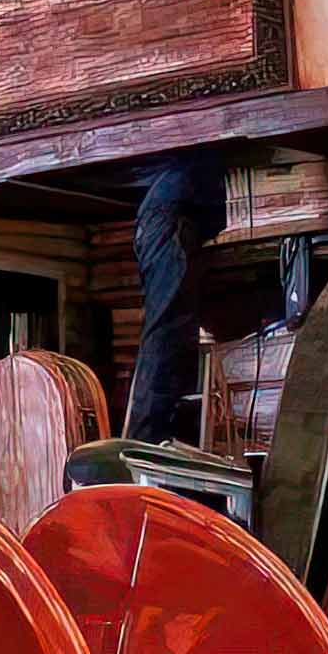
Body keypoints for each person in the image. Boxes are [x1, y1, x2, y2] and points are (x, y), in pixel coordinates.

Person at [124, 149, 229, 441]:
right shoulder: (184, 170)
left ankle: (149, 440)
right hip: (168, 218)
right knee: (167, 331)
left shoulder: (182, 174)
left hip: (170, 216)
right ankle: (145, 444)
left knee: (170, 331)